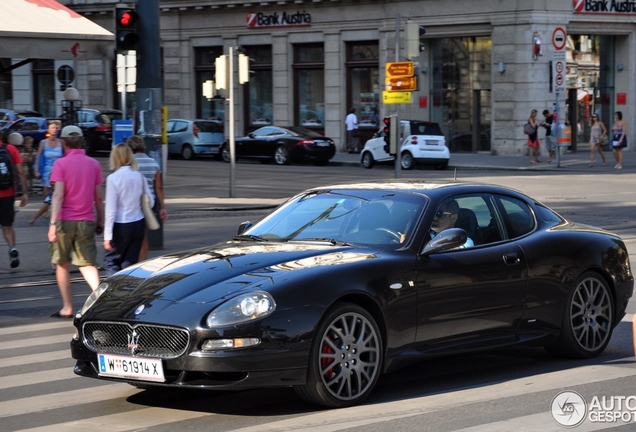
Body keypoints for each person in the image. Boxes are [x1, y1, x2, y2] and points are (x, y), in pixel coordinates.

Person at [48, 125, 104, 318]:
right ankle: (99, 300)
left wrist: (52, 224)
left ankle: (67, 307)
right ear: (82, 141)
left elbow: (58, 195)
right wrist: (101, 220)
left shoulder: (60, 165)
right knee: (87, 263)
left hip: (64, 221)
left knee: (62, 263)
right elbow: (98, 197)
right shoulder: (93, 164)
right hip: (86, 220)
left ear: (64, 143)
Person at [103, 143, 154, 277]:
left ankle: (112, 293)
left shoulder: (113, 178)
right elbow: (151, 200)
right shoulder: (139, 176)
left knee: (111, 261)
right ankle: (128, 292)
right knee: (130, 262)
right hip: (138, 222)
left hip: (121, 224)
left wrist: (107, 236)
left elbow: (111, 210)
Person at [126, 135, 168, 261]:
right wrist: (162, 208)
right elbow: (159, 188)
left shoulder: (128, 164)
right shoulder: (153, 163)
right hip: (149, 203)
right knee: (143, 236)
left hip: (131, 202)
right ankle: (142, 262)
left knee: (130, 235)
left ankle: (130, 262)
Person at [0, 133, 29, 268]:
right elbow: (21, 171)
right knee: (7, 226)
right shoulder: (10, 149)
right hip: (8, 193)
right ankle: (12, 248)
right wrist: (24, 193)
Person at [33, 123, 63, 226]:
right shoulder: (43, 142)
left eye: (56, 128)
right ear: (48, 130)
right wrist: (36, 169)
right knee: (47, 191)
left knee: (59, 190)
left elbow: (66, 155)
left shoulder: (61, 142)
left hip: (59, 170)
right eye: (53, 128)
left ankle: (57, 209)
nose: (55, 130)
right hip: (47, 170)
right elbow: (38, 156)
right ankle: (46, 209)